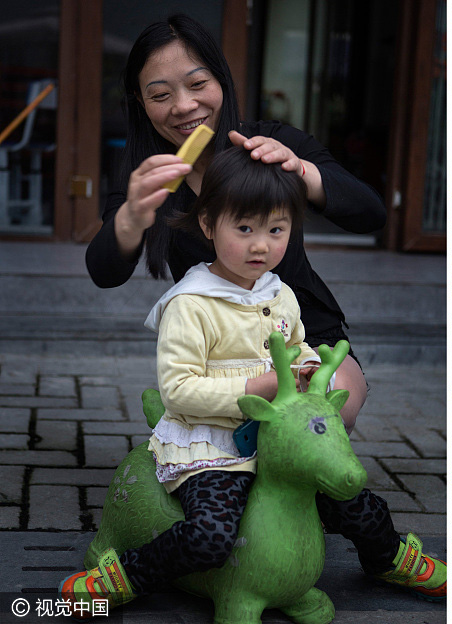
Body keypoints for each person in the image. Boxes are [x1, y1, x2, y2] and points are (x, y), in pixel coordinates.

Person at [83, 14, 444, 600]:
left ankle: (329, 525)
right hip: (219, 342)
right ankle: (231, 521)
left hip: (296, 321)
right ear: (142, 104)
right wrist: (131, 214)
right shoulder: (147, 174)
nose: (184, 106)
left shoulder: (270, 144)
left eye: (198, 83)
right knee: (250, 439)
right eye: (160, 94)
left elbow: (370, 212)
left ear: (222, 79)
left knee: (334, 409)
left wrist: (303, 172)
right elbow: (105, 269)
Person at [63, 145, 324, 610]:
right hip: (211, 445)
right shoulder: (191, 304)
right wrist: (254, 388)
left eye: (276, 230)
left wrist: (307, 363)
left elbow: (297, 343)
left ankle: (382, 556)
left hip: (270, 439)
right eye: (244, 229)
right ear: (208, 226)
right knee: (211, 535)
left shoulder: (280, 293)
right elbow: (179, 391)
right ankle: (128, 575)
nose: (260, 244)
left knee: (343, 499)